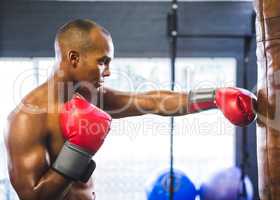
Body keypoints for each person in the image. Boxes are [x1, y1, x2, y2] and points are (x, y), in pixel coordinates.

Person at [4, 19, 256, 200]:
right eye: (102, 62)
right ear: (73, 58)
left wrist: (214, 97)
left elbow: (150, 102)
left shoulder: (88, 97)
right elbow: (34, 197)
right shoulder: (28, 117)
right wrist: (79, 149)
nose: (109, 71)